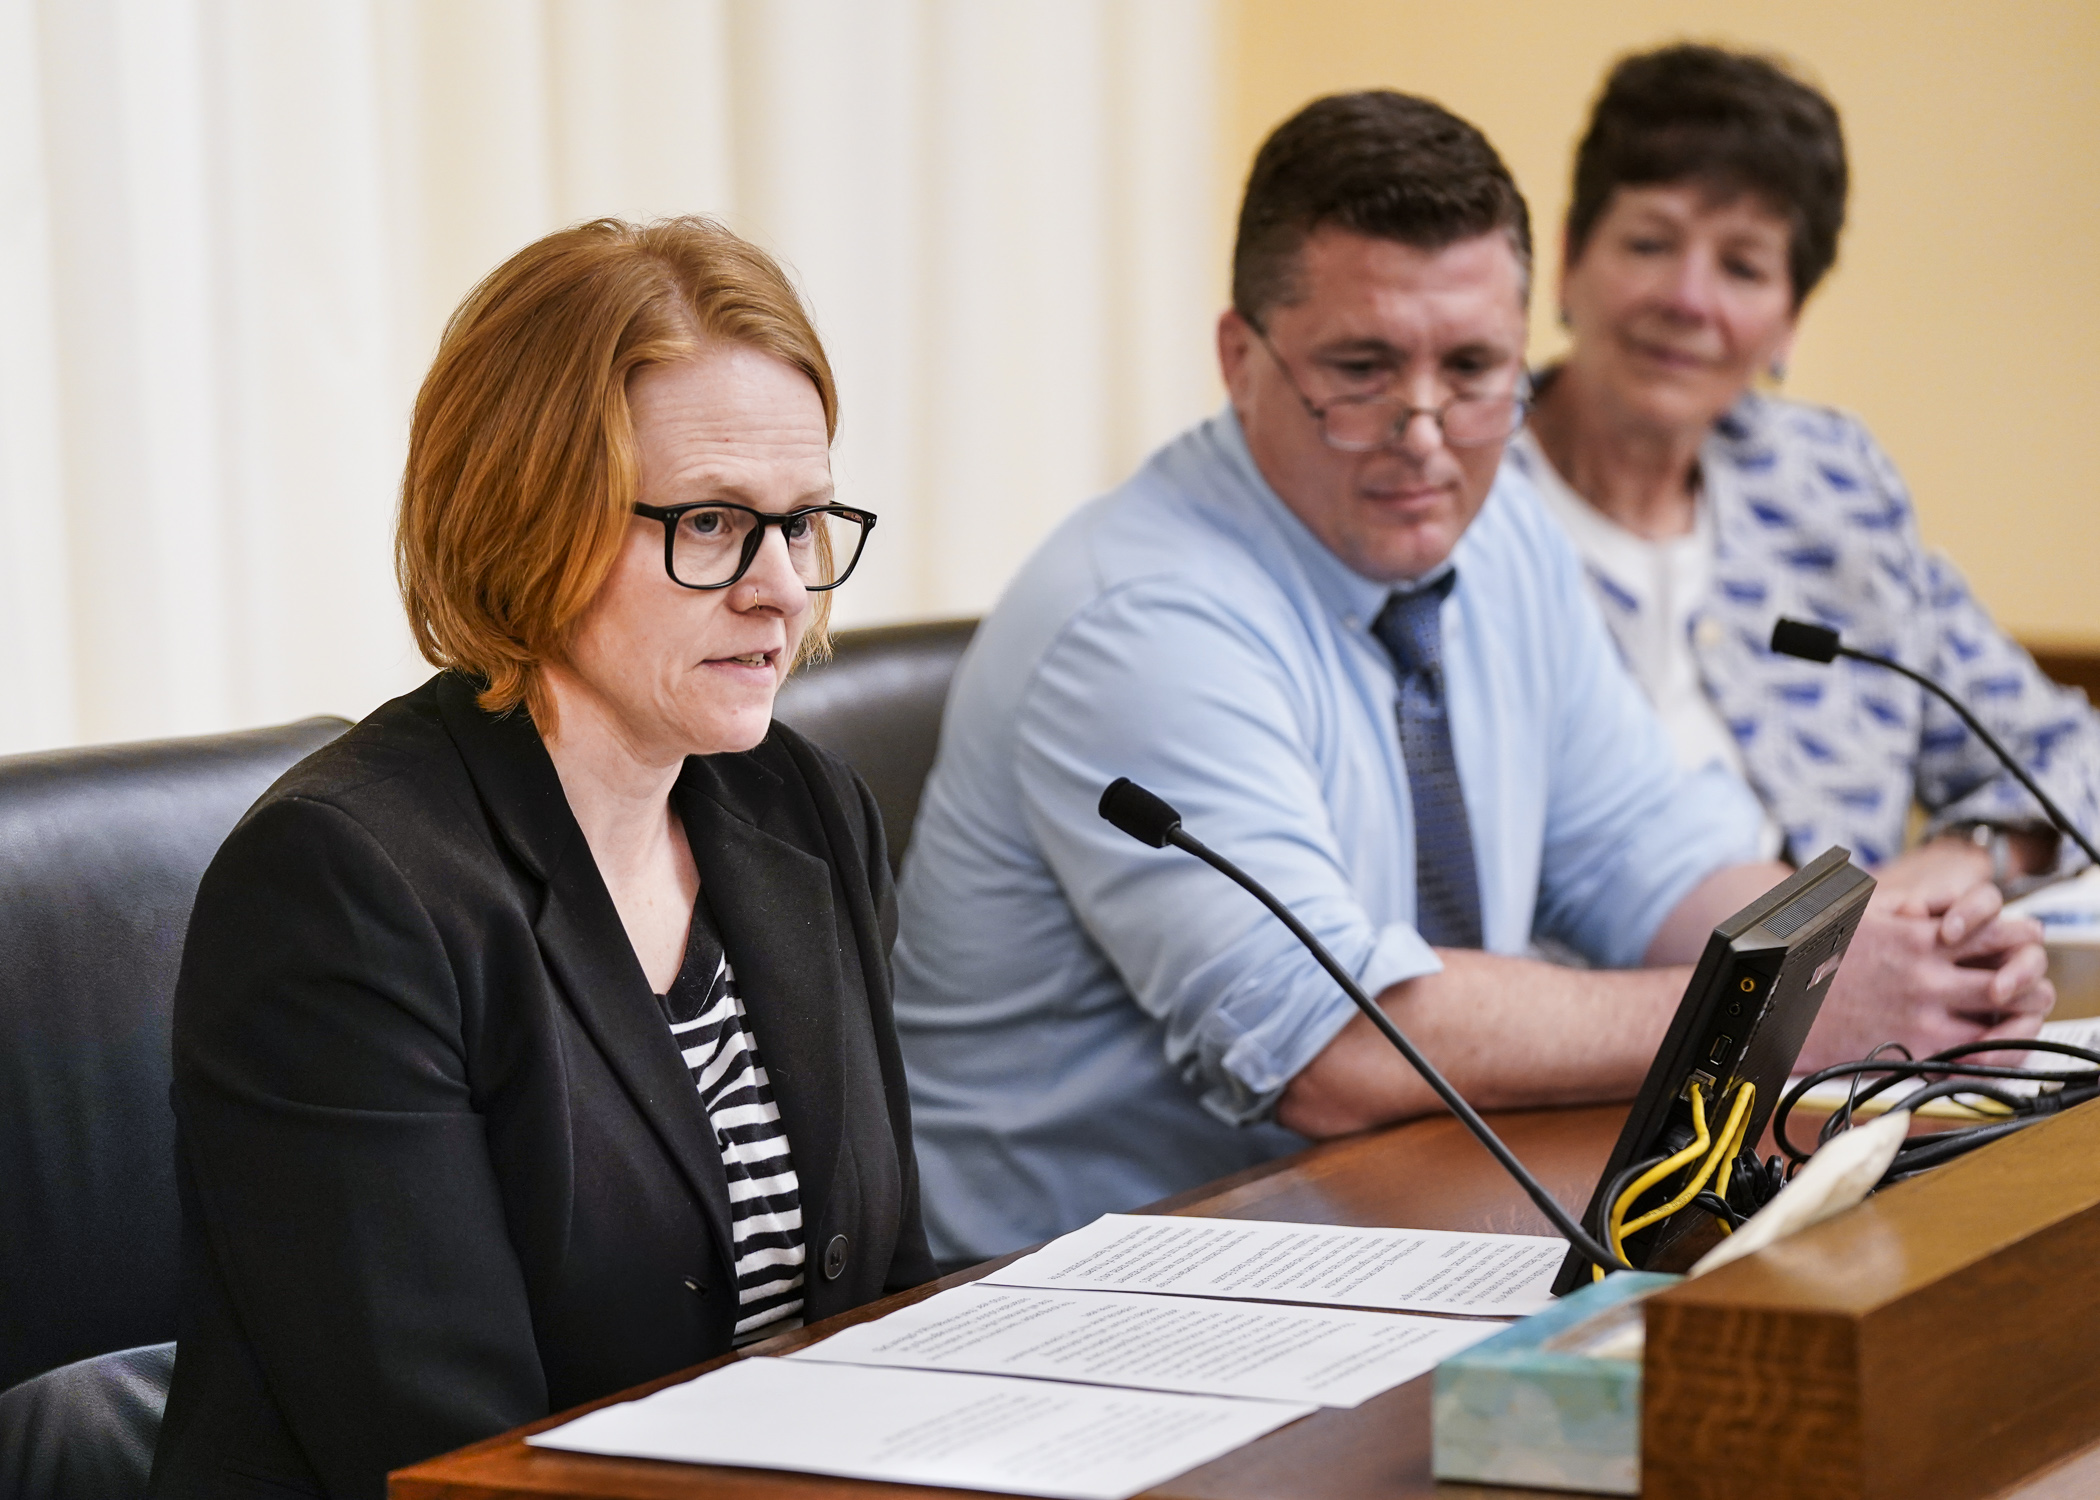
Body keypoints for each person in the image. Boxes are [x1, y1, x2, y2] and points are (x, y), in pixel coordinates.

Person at [891, 92, 2052, 1268]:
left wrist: (1884, 955)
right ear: (1241, 360)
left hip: (1378, 1224)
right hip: (1082, 1293)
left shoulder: (1495, 534)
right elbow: (1335, 1046)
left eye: (1476, 368)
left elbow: (1647, 856)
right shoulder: (1141, 615)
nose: (1429, 431)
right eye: (1362, 368)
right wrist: (1776, 1016)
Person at [148, 218, 933, 1500]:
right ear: (530, 522)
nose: (782, 586)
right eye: (715, 524)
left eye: (803, 524)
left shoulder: (799, 806)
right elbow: (451, 1457)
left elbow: (884, 1285)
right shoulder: (345, 889)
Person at [1514, 43, 2100, 894]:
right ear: (1569, 258)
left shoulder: (1830, 486)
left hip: (1873, 1017)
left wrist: (1966, 860)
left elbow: (2069, 754)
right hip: (1589, 1018)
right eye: (1648, 242)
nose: (1687, 298)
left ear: (1791, 321)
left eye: (1743, 266)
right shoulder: (1451, 492)